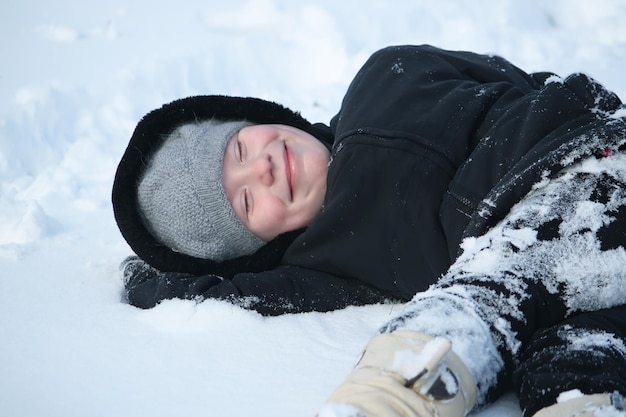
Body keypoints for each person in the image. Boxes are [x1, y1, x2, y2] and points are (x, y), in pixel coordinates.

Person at [112, 45, 626, 416]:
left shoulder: (387, 73)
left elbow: (521, 80)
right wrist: (153, 275)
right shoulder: (324, 263)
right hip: (577, 291)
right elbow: (223, 294)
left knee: (491, 294)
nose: (263, 169)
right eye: (246, 200)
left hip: (586, 170)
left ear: (252, 118)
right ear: (256, 249)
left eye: (241, 148)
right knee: (574, 362)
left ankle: (387, 398)